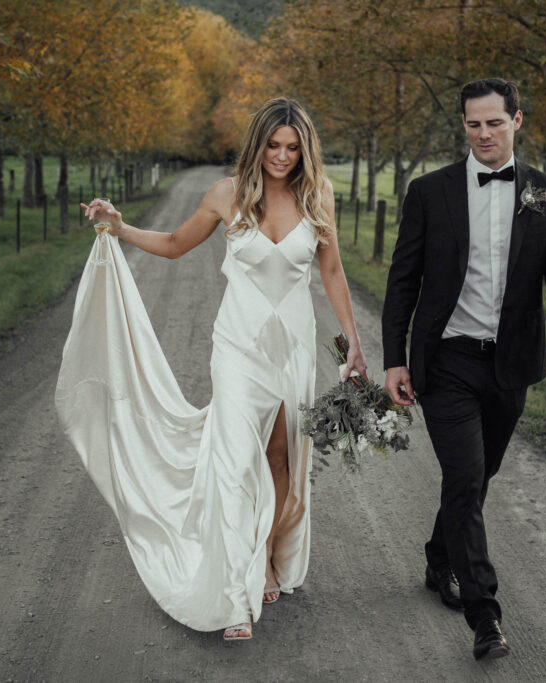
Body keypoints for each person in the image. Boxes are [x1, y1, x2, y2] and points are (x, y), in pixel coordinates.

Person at [56, 97, 367, 642]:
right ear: (258, 143)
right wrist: (119, 228)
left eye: (293, 148)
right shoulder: (227, 194)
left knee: (280, 458)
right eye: (273, 145)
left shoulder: (317, 194)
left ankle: (266, 557)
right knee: (232, 462)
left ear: (305, 150)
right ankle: (231, 599)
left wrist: (354, 349)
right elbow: (176, 245)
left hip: (292, 346)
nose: (282, 156)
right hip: (238, 348)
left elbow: (333, 270)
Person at [381, 78, 546, 661]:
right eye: (473, 124)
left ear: (517, 121)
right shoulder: (429, 191)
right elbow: (403, 280)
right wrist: (395, 358)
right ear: (464, 126)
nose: (483, 134)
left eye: (494, 123)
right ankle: (484, 613)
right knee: (467, 477)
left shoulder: (545, 193)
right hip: (444, 361)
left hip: (510, 365)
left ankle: (439, 556)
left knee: (477, 477)